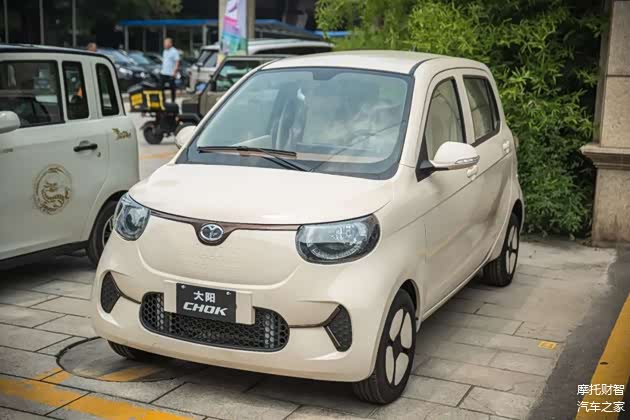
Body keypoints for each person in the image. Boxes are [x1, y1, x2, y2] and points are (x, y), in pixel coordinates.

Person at [160, 38, 180, 102]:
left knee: (172, 88)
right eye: (164, 43)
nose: (164, 45)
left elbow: (177, 62)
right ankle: (163, 100)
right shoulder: (164, 51)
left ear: (170, 43)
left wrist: (175, 72)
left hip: (171, 73)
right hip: (163, 72)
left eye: (166, 43)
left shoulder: (174, 51)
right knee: (161, 87)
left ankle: (173, 100)